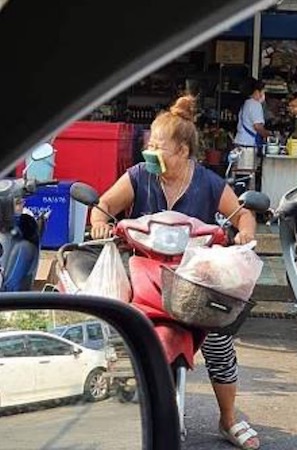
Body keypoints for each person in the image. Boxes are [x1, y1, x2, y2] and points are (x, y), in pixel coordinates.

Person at [90, 95, 260, 450]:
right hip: (143, 272)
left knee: (218, 342)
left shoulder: (209, 182)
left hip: (195, 279)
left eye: (159, 147)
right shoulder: (139, 175)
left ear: (183, 151)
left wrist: (244, 233)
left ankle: (228, 419)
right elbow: (104, 205)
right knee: (121, 335)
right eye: (148, 145)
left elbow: (242, 213)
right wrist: (101, 223)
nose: (150, 152)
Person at [233, 78, 271, 191]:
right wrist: (268, 135)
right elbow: (257, 126)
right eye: (263, 91)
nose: (263, 95)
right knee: (246, 176)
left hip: (240, 143)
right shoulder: (255, 105)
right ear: (257, 91)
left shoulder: (246, 103)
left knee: (240, 176)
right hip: (247, 146)